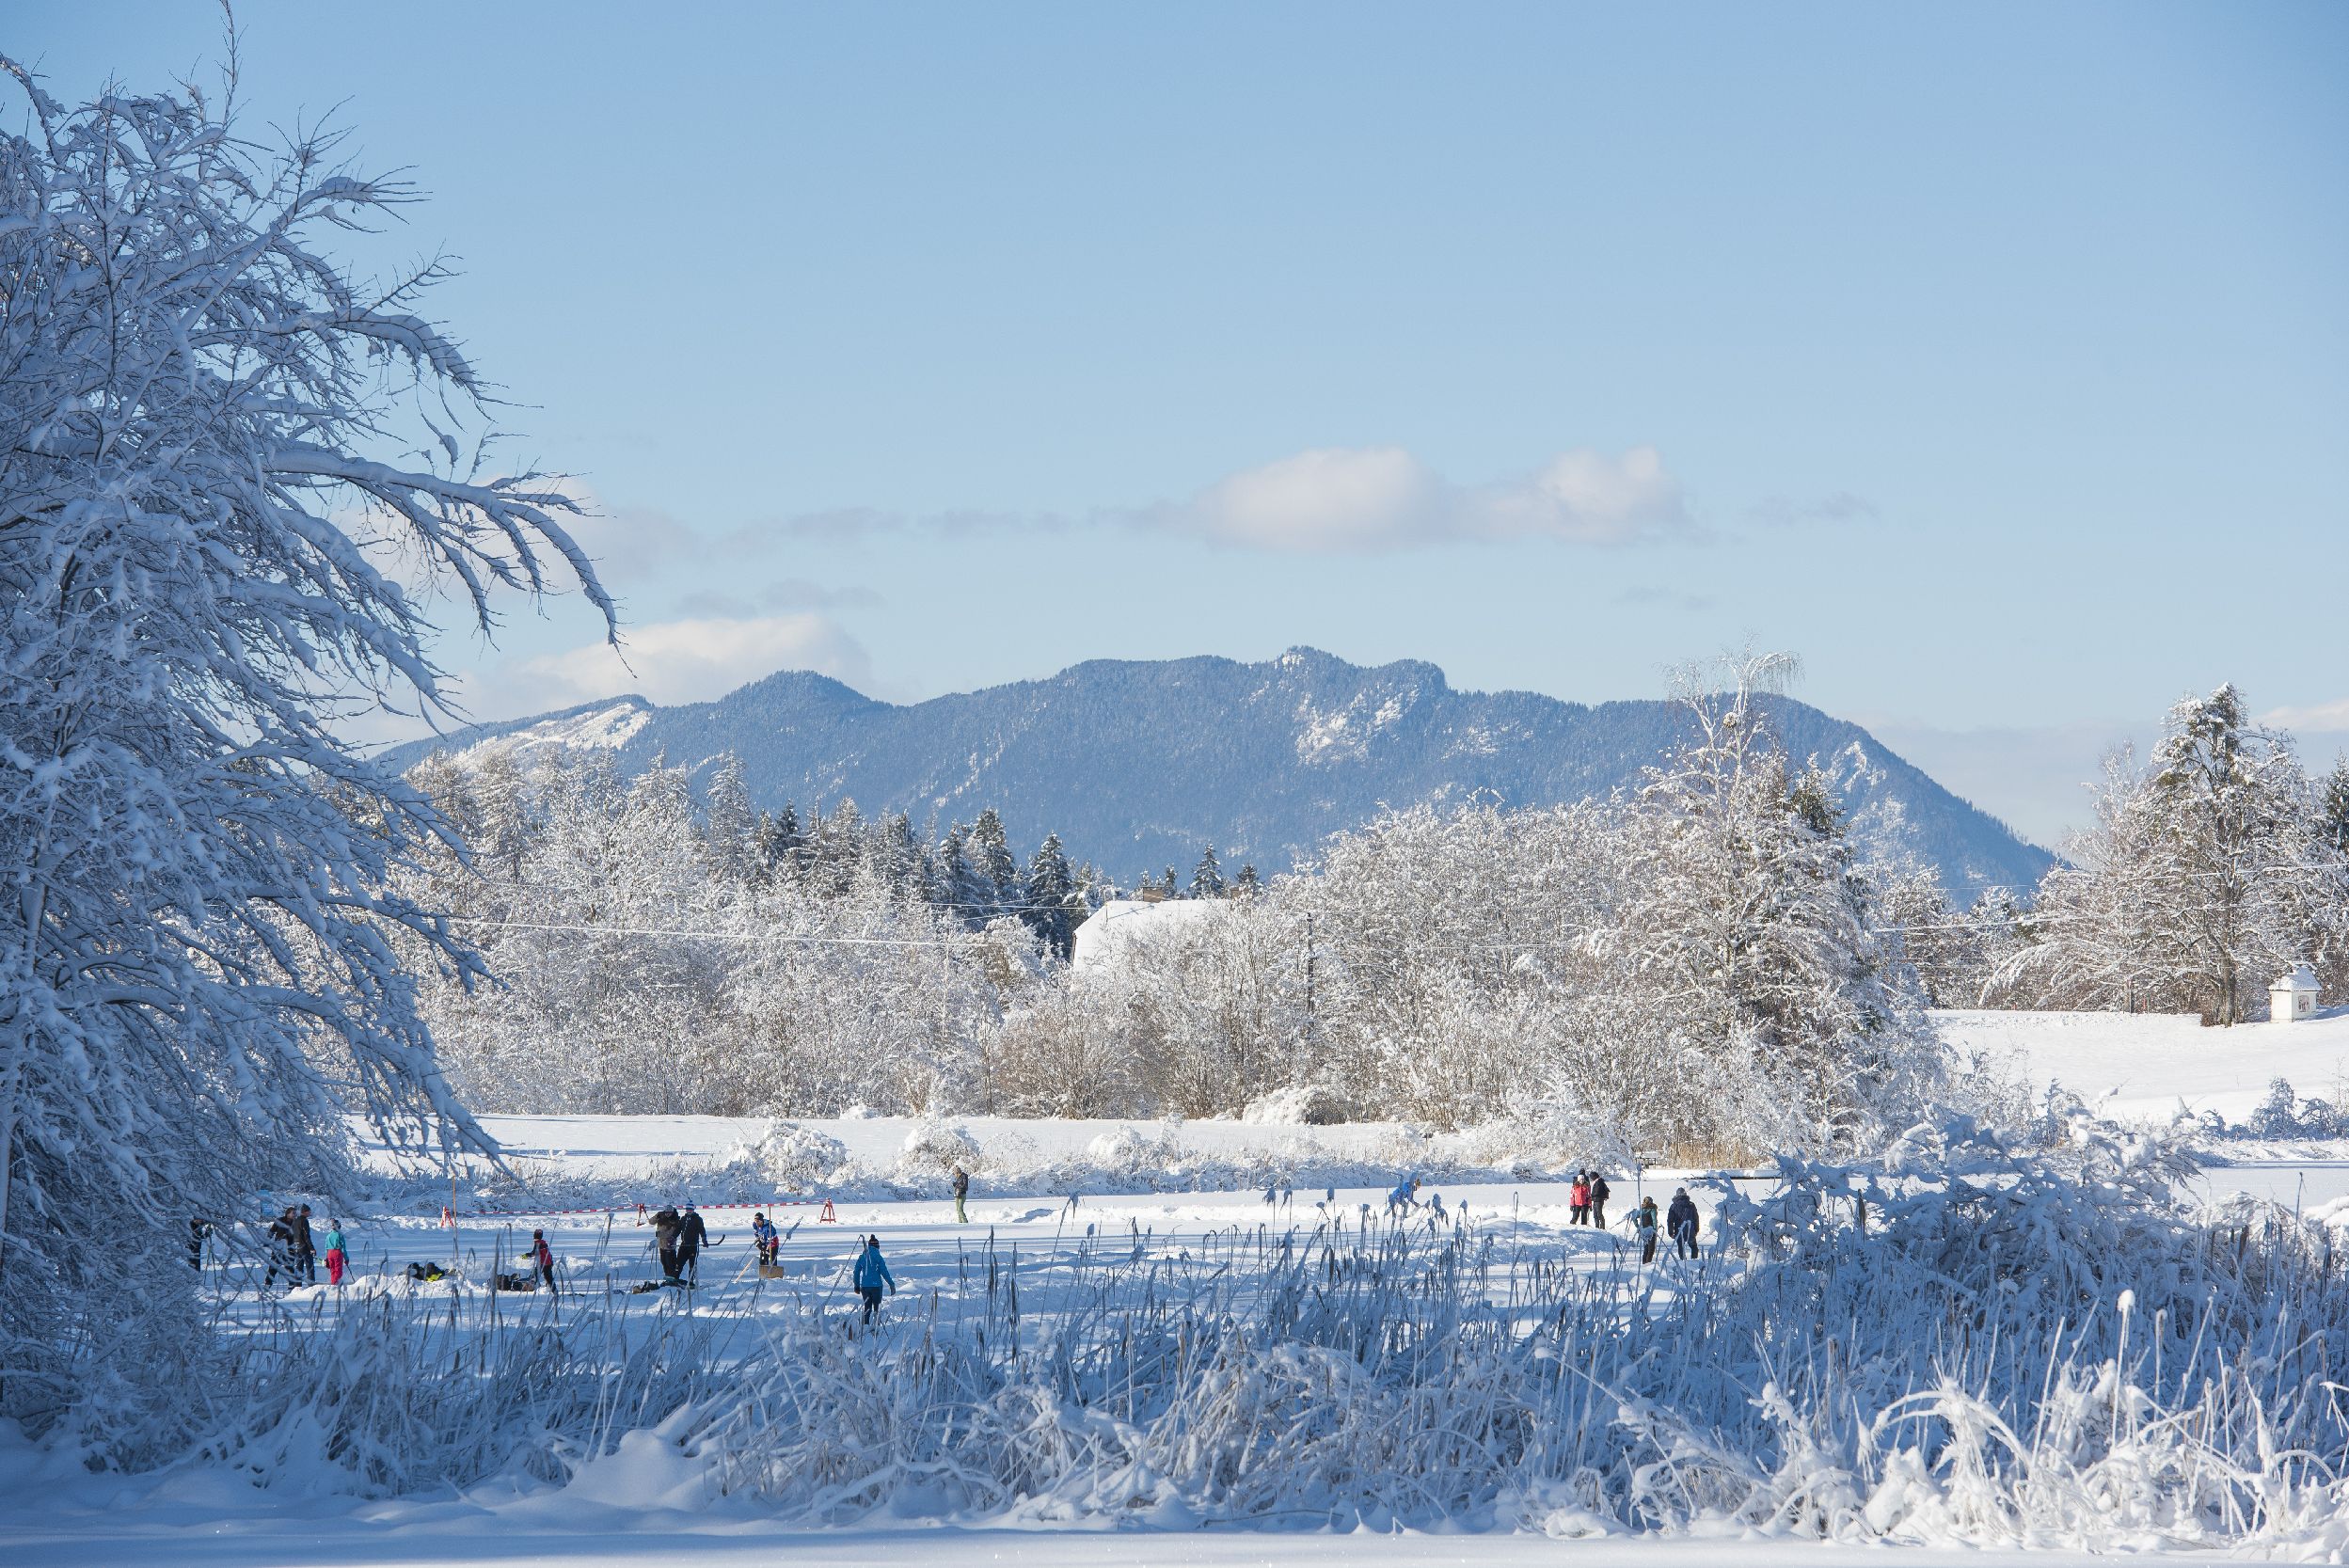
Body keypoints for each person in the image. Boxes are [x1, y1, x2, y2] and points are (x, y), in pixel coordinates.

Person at [852, 1233, 897, 1325]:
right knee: (877, 1308)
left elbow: (856, 1271)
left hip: (865, 1287)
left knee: (867, 1308)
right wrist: (891, 1284)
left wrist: (856, 1285)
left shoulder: (862, 1257)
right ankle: (876, 1327)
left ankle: (865, 1327)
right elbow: (884, 1272)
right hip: (877, 1287)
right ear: (877, 1246)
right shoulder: (878, 1257)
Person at [264, 1206, 297, 1290]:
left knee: (289, 1267)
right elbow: (272, 1231)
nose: (295, 1215)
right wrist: (267, 1240)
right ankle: (268, 1284)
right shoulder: (279, 1220)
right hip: (278, 1248)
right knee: (273, 1266)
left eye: (295, 1213)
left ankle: (291, 1285)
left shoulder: (296, 1223)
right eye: (293, 1213)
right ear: (288, 1213)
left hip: (290, 1248)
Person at [676, 1201, 709, 1281]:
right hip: (684, 1245)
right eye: (687, 1209)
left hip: (693, 1246)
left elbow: (702, 1230)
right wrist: (672, 1238)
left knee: (692, 1265)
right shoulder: (683, 1219)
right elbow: (678, 1230)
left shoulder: (698, 1219)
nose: (689, 1211)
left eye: (690, 1209)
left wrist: (704, 1240)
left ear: (693, 1209)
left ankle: (691, 1281)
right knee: (678, 1263)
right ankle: (675, 1278)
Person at [650, 1205, 683, 1281]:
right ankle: (667, 1276)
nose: (668, 1214)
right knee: (663, 1261)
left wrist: (660, 1235)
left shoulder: (675, 1219)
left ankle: (672, 1277)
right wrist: (656, 1217)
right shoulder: (660, 1215)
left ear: (672, 1212)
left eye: (669, 1212)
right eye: (666, 1212)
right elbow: (651, 1222)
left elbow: (672, 1233)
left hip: (670, 1244)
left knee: (670, 1262)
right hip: (661, 1244)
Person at [1667, 1188, 1701, 1260]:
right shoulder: (1691, 1204)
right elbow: (1696, 1218)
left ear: (1676, 1194)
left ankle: (1683, 1262)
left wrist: (1670, 1232)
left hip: (1679, 1229)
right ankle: (1694, 1261)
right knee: (1693, 1246)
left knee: (1681, 1246)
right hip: (1690, 1229)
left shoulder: (1673, 1206)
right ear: (1685, 1194)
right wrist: (1696, 1229)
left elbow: (1670, 1220)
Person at [293, 1203, 318, 1284]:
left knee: (298, 1267)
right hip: (304, 1247)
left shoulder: (295, 1220)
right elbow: (306, 1236)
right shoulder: (304, 1221)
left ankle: (297, 1285)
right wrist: (312, 1248)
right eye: (309, 1211)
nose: (310, 1213)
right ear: (305, 1212)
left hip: (296, 1246)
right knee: (309, 1266)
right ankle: (311, 1284)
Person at [1631, 1196, 1659, 1264]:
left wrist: (1637, 1226)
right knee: (1651, 1249)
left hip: (1643, 1231)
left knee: (1646, 1248)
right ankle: (1648, 1263)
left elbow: (1634, 1218)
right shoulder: (1652, 1209)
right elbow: (1654, 1220)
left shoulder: (1641, 1209)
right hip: (1651, 1230)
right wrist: (1655, 1229)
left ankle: (1644, 1263)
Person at [322, 1220, 348, 1287]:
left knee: (332, 1270)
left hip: (329, 1253)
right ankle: (335, 1283)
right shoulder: (340, 1235)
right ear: (339, 1226)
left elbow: (326, 1247)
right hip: (337, 1253)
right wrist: (346, 1258)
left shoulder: (328, 1236)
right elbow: (343, 1248)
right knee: (338, 1270)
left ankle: (333, 1283)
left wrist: (326, 1257)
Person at [532, 1228, 557, 1293]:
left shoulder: (538, 1243)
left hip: (543, 1263)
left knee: (535, 1275)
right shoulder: (544, 1242)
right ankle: (554, 1290)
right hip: (549, 1263)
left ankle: (535, 1287)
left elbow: (534, 1253)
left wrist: (525, 1256)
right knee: (549, 1278)